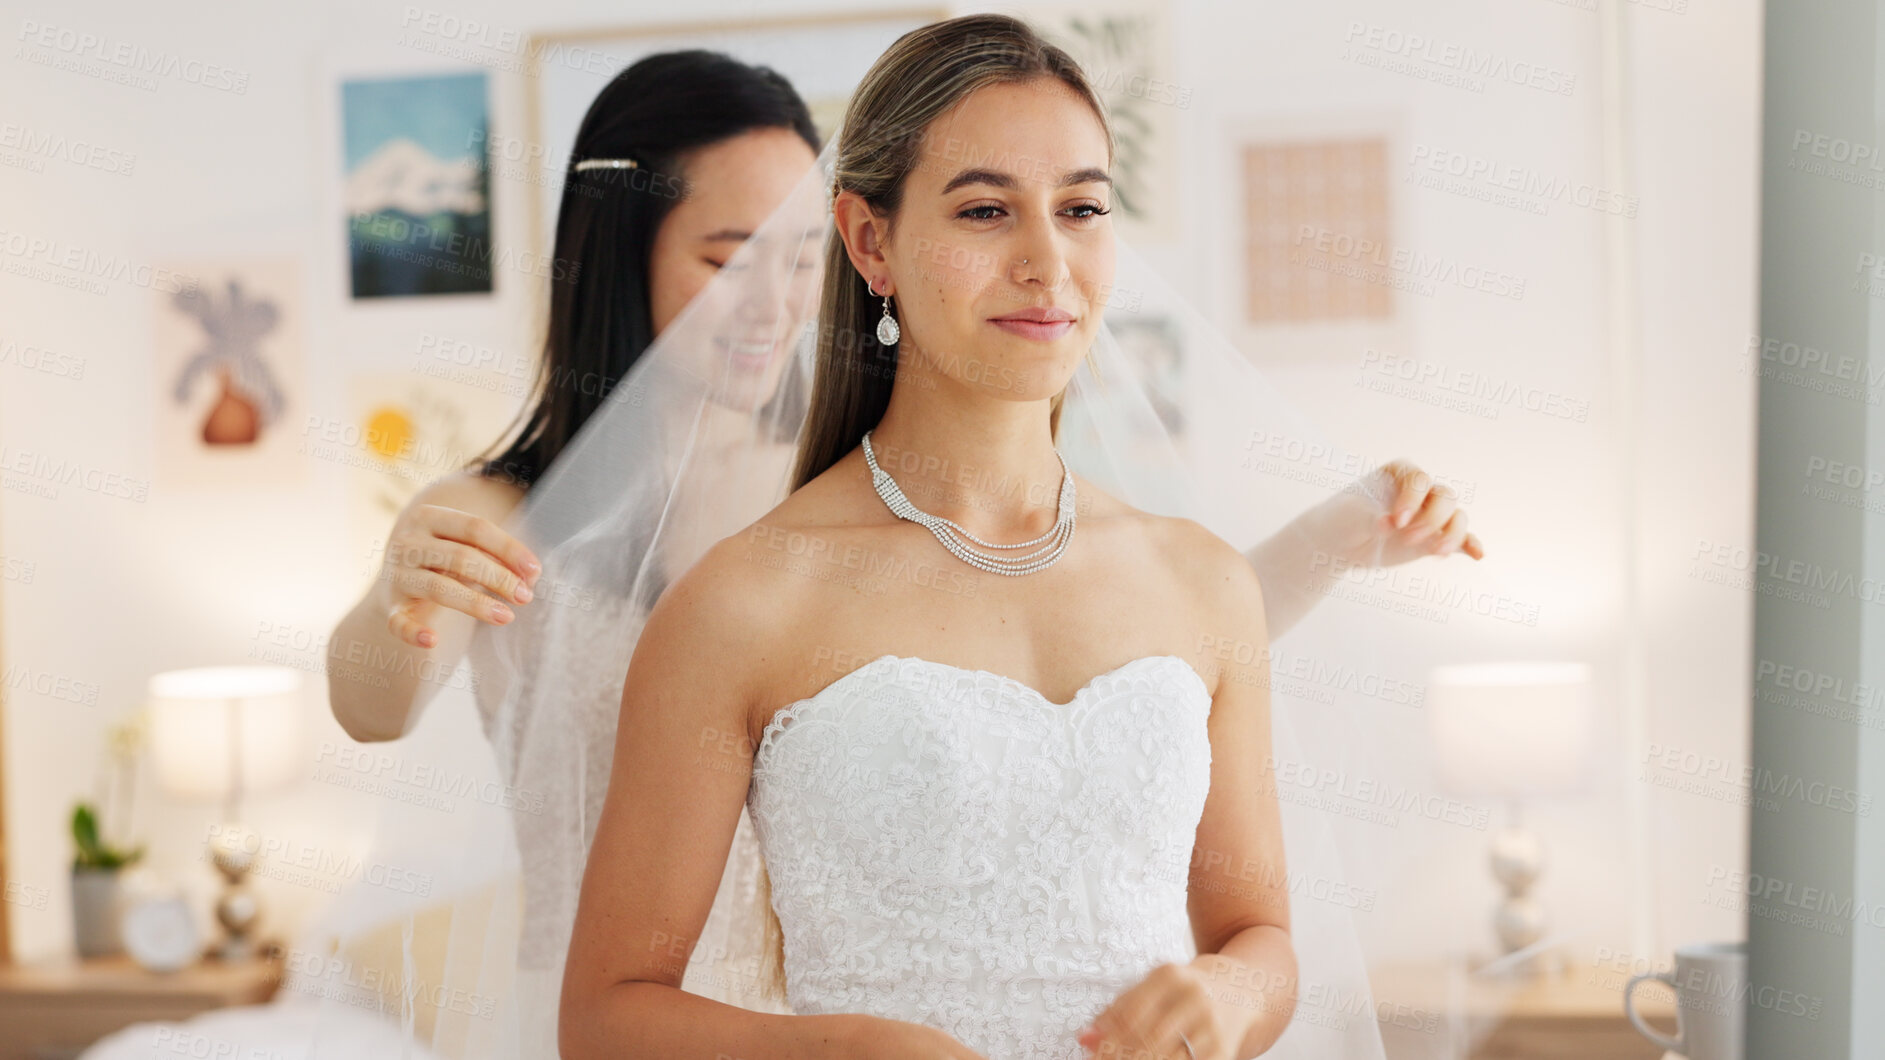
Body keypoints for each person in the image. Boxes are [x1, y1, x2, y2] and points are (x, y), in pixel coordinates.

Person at [556, 15, 1433, 1059]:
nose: (1045, 262)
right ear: (868, 240)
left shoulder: (1200, 581)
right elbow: (606, 1016)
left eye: (1081, 209)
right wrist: (848, 1051)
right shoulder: (743, 602)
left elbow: (1261, 938)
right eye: (984, 210)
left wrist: (1230, 993)